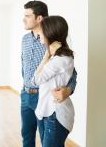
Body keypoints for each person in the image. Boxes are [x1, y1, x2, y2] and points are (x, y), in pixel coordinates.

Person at [21, 0, 77, 147]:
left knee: (47, 139)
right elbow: (24, 67)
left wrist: (69, 89)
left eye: (27, 15)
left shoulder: (53, 44)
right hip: (26, 94)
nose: (23, 19)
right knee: (26, 136)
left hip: (44, 96)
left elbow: (72, 72)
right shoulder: (25, 40)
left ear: (39, 18)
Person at [32, 15, 75, 147]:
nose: (39, 33)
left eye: (42, 30)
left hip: (55, 114)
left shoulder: (60, 59)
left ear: (50, 32)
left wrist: (46, 56)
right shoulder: (57, 57)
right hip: (47, 111)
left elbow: (36, 80)